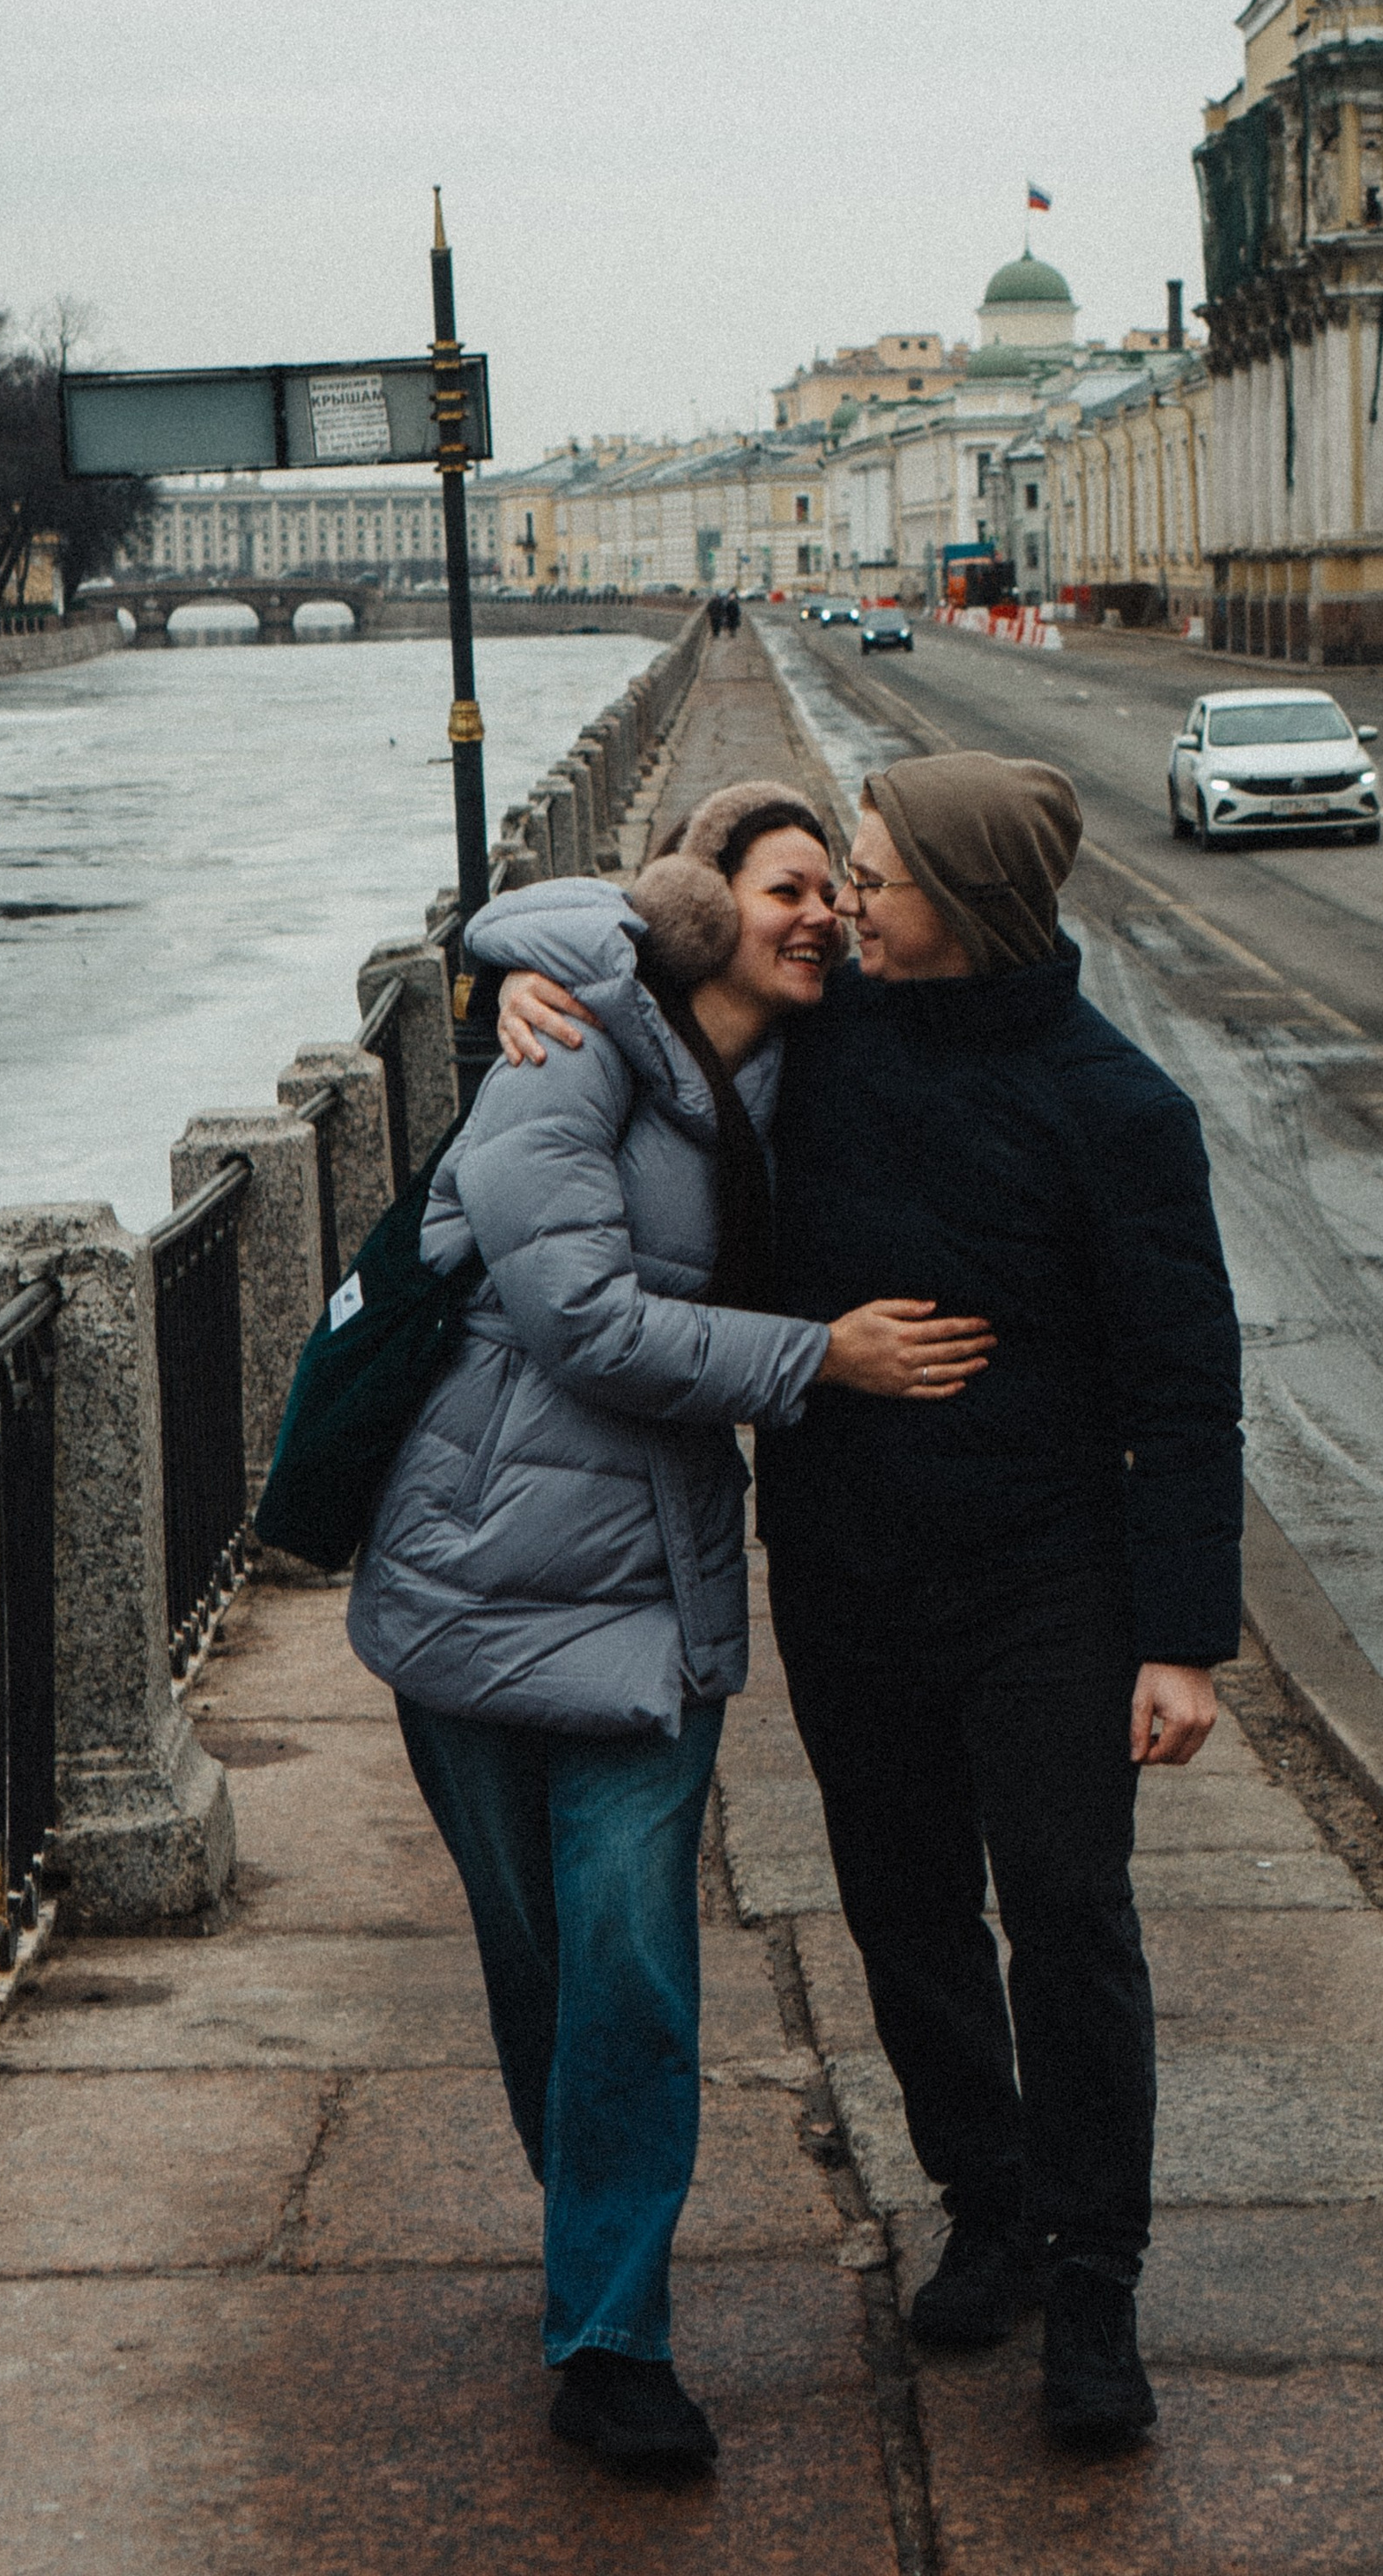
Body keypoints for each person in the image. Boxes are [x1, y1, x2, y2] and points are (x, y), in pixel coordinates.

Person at [497, 749, 1244, 2453]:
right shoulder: (824, 1046)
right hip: (849, 1575)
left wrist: (1183, 1640)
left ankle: (1098, 2285)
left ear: (965, 902)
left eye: (877, 879)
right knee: (904, 1913)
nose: (844, 906)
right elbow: (634, 964)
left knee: (1069, 1918)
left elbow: (1187, 1389)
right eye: (840, 876)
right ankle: (990, 2208)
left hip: (1049, 1588)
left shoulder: (1121, 1110)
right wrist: (529, 993)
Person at [348, 781, 993, 2474]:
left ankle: (612, 2337)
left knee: (632, 1967)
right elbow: (579, 1319)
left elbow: (981, 1007)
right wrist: (817, 1358)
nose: (820, 918)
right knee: (539, 1967)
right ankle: (596, 2243)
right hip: (476, 1575)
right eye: (787, 889)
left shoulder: (812, 1070)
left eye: (835, 894)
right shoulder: (560, 1054)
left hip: (652, 1594)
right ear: (701, 910)